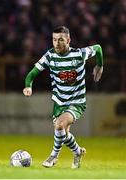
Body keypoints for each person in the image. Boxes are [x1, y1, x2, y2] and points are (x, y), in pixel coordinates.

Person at [23, 26, 103, 168]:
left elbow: (97, 48)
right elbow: (32, 73)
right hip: (59, 103)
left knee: (59, 125)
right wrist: (28, 86)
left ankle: (53, 156)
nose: (57, 43)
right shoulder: (50, 55)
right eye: (54, 40)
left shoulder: (78, 54)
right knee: (63, 134)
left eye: (60, 40)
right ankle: (78, 152)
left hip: (76, 102)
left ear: (68, 40)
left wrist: (99, 66)